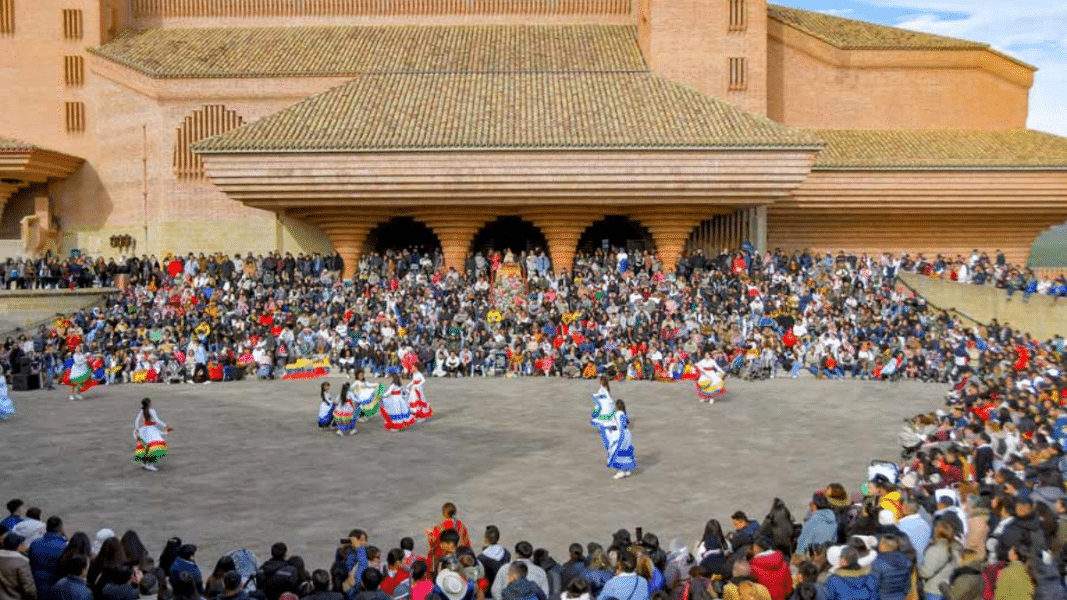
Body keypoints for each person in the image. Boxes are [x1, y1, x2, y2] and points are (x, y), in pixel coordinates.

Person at [28, 516, 66, 600]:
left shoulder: (34, 544)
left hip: (36, 586)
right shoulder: (64, 547)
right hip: (55, 589)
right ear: (61, 529)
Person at [426, 504, 470, 570]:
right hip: (460, 554)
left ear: (443, 514)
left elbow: (433, 545)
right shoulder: (461, 526)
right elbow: (466, 542)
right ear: (454, 513)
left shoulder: (438, 528)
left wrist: (430, 535)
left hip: (443, 557)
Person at [133, 398, 170, 472]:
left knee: (146, 446)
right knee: (157, 446)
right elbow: (157, 420)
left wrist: (137, 429)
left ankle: (145, 462)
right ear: (149, 403)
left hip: (144, 430)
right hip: (151, 430)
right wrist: (165, 425)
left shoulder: (142, 411)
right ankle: (150, 464)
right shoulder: (152, 411)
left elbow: (137, 420)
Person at [604, 399, 636, 480]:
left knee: (617, 452)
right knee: (626, 451)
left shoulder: (618, 414)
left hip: (621, 434)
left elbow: (620, 426)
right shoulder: (625, 414)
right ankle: (626, 469)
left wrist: (620, 438)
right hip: (627, 434)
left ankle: (620, 471)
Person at [0, 533, 36, 600]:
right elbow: (29, 588)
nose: (25, 545)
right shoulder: (22, 561)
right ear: (18, 546)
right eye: (23, 543)